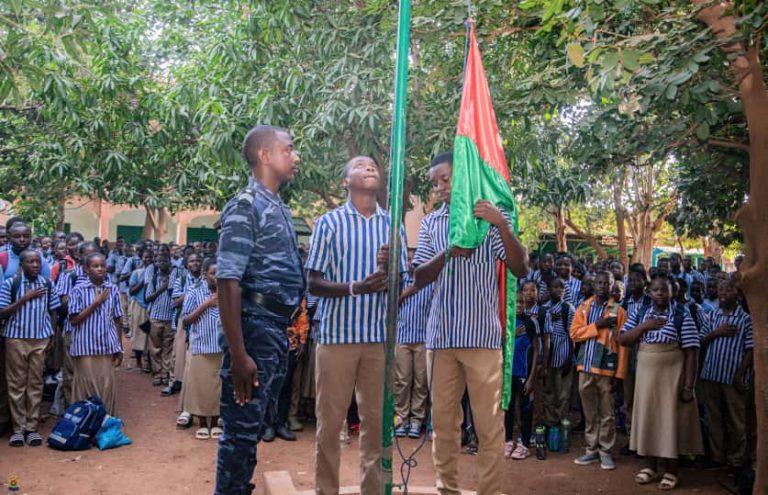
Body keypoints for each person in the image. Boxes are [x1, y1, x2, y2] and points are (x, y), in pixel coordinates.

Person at [412, 152, 528, 495]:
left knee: (489, 427)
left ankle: (489, 491)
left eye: (445, 179)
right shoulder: (433, 223)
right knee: (444, 426)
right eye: (435, 182)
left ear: (462, 176)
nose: (440, 187)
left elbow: (521, 268)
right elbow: (418, 278)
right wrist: (448, 252)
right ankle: (446, 489)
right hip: (441, 338)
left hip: (482, 338)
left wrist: (502, 224)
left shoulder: (488, 216)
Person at [306, 154, 405, 495]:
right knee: (330, 427)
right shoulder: (329, 223)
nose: (370, 168)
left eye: (373, 166)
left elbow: (401, 284)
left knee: (376, 428)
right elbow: (314, 282)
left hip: (378, 340)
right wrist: (355, 288)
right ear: (346, 181)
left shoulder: (393, 225)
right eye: (361, 166)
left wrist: (390, 274)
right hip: (336, 339)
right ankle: (326, 490)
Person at [214, 125, 304, 495]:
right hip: (253, 328)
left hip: (273, 329)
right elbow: (227, 280)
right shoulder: (246, 204)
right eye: (289, 149)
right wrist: (239, 354)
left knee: (251, 429)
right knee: (239, 431)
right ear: (265, 155)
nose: (295, 156)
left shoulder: (276, 205)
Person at [617, 275, 703, 490]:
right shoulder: (641, 312)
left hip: (671, 376)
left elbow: (692, 353)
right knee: (649, 418)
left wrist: (688, 386)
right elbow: (623, 339)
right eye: (656, 290)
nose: (660, 294)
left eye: (664, 290)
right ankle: (650, 466)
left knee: (669, 421)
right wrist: (645, 326)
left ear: (672, 292)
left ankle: (671, 470)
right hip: (646, 375)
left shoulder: (682, 314)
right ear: (649, 292)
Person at [0, 250, 61, 446]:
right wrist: (25, 298)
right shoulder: (11, 284)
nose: (35, 265)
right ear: (22, 265)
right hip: (16, 339)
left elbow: (53, 310)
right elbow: (2, 313)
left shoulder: (47, 284)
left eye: (37, 262)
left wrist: (51, 333)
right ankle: (18, 428)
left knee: (35, 383)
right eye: (30, 262)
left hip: (40, 339)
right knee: (16, 384)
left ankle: (31, 427)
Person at [570, 271, 628, 471]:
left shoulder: (618, 311)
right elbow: (574, 334)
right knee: (590, 412)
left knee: (607, 413)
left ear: (613, 286)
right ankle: (591, 450)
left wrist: (619, 375)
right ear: (594, 285)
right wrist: (597, 326)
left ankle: (605, 451)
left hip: (607, 370)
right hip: (585, 367)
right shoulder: (584, 307)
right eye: (599, 283)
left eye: (607, 283)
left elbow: (623, 345)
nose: (603, 286)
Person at [699, 278, 753, 471]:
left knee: (736, 420)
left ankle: (737, 460)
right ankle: (717, 457)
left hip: (732, 377)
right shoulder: (712, 316)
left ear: (737, 293)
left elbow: (750, 350)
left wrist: (740, 375)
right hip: (711, 374)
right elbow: (700, 341)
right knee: (714, 418)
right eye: (720, 289)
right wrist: (716, 333)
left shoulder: (746, 319)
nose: (723, 293)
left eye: (728, 289)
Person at [67, 252, 123, 415]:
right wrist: (96, 303)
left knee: (106, 387)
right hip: (85, 347)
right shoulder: (78, 290)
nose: (100, 269)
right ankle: (85, 426)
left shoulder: (112, 289)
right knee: (87, 388)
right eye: (95, 266)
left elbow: (117, 319)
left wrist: (118, 346)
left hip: (107, 346)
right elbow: (74, 320)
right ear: (86, 269)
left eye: (102, 266)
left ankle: (103, 426)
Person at [181, 257, 223, 441]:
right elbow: (186, 320)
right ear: (205, 274)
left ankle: (215, 422)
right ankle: (203, 424)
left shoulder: (227, 293)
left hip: (221, 347)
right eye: (213, 273)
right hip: (201, 346)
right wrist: (205, 305)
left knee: (217, 388)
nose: (217, 277)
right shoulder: (194, 293)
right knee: (201, 388)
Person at [393, 252, 433, 439]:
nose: (411, 263)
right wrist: (405, 293)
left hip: (423, 339)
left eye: (414, 259)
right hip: (401, 338)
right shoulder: (399, 282)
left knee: (420, 382)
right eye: (408, 259)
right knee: (401, 381)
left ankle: (417, 420)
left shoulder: (428, 282)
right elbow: (390, 306)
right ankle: (401, 420)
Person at [505, 297, 539, 460]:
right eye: (515, 302)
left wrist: (532, 377)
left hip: (524, 374)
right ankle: (508, 440)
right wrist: (511, 335)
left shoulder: (530, 322)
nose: (518, 305)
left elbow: (537, 350)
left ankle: (524, 443)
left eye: (521, 302)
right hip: (508, 374)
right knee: (508, 407)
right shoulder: (506, 320)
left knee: (526, 408)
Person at [165, 251, 203, 397]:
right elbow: (174, 302)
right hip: (183, 318)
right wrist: (191, 293)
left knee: (193, 352)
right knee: (177, 353)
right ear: (187, 264)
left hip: (200, 319)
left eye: (198, 260)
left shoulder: (205, 281)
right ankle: (173, 382)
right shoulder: (180, 280)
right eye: (192, 261)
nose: (195, 263)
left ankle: (191, 384)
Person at [541, 279, 576, 433]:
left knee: (563, 395)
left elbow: (572, 335)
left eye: (562, 287)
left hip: (563, 357)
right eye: (555, 287)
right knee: (549, 392)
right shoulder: (544, 308)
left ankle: (562, 425)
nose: (559, 290)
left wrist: (569, 358)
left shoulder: (568, 309)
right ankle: (550, 423)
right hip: (548, 358)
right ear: (549, 289)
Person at [144, 249, 180, 387]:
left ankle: (165, 373)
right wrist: (163, 288)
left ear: (169, 261)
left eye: (164, 260)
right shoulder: (154, 278)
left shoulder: (175, 277)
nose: (161, 263)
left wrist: (169, 285)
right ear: (156, 262)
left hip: (170, 316)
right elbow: (148, 298)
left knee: (168, 347)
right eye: (159, 261)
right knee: (154, 347)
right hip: (155, 316)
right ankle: (157, 372)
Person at [128, 247, 153, 371]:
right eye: (145, 257)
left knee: (150, 335)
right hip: (138, 305)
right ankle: (138, 362)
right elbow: (131, 291)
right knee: (138, 334)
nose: (148, 260)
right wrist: (143, 281)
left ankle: (149, 362)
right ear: (141, 258)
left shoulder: (156, 272)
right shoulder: (136, 273)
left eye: (150, 257)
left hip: (152, 307)